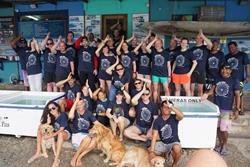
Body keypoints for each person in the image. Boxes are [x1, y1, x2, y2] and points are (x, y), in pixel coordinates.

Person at [202, 63, 241, 155]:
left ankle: (224, 146)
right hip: (216, 109)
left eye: (227, 69)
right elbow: (212, 91)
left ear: (230, 71)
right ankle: (220, 144)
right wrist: (206, 94)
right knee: (218, 128)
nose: (225, 71)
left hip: (227, 109)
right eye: (223, 69)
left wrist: (236, 109)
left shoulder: (234, 80)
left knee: (224, 129)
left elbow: (237, 95)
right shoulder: (217, 78)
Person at [28, 101, 71, 167]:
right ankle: (38, 152)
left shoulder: (62, 115)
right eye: (50, 109)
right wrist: (48, 122)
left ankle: (57, 159)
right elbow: (41, 127)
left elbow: (61, 129)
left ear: (57, 107)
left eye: (53, 108)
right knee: (39, 129)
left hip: (65, 133)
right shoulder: (50, 116)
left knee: (60, 134)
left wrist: (50, 136)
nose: (51, 110)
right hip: (55, 134)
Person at [149, 100, 184, 167]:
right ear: (161, 108)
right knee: (150, 151)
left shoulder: (174, 117)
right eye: (165, 107)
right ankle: (163, 157)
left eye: (168, 107)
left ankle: (174, 164)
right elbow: (154, 136)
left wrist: (171, 106)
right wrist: (152, 151)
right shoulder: (157, 120)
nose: (167, 109)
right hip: (163, 143)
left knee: (177, 148)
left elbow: (181, 115)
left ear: (171, 109)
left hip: (173, 143)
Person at [225, 41, 250, 115]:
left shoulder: (243, 55)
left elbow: (247, 65)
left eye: (232, 47)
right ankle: (232, 109)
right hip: (229, 79)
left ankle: (240, 109)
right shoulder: (227, 56)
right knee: (230, 94)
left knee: (240, 94)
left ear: (236, 47)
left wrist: (248, 76)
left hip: (240, 79)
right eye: (229, 48)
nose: (231, 49)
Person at [146, 35, 171, 102]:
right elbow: (147, 48)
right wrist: (154, 40)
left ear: (162, 44)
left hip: (164, 74)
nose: (157, 45)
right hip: (155, 74)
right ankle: (155, 103)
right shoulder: (153, 52)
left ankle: (167, 103)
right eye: (156, 44)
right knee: (155, 89)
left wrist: (169, 76)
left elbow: (168, 65)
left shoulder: (166, 53)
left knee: (166, 89)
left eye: (159, 43)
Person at [190, 29, 213, 96]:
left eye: (200, 38)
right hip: (193, 71)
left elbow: (210, 44)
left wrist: (202, 35)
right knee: (191, 90)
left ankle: (200, 105)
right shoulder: (191, 49)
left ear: (202, 39)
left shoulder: (205, 48)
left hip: (202, 71)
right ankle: (191, 105)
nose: (198, 39)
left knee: (200, 90)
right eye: (197, 38)